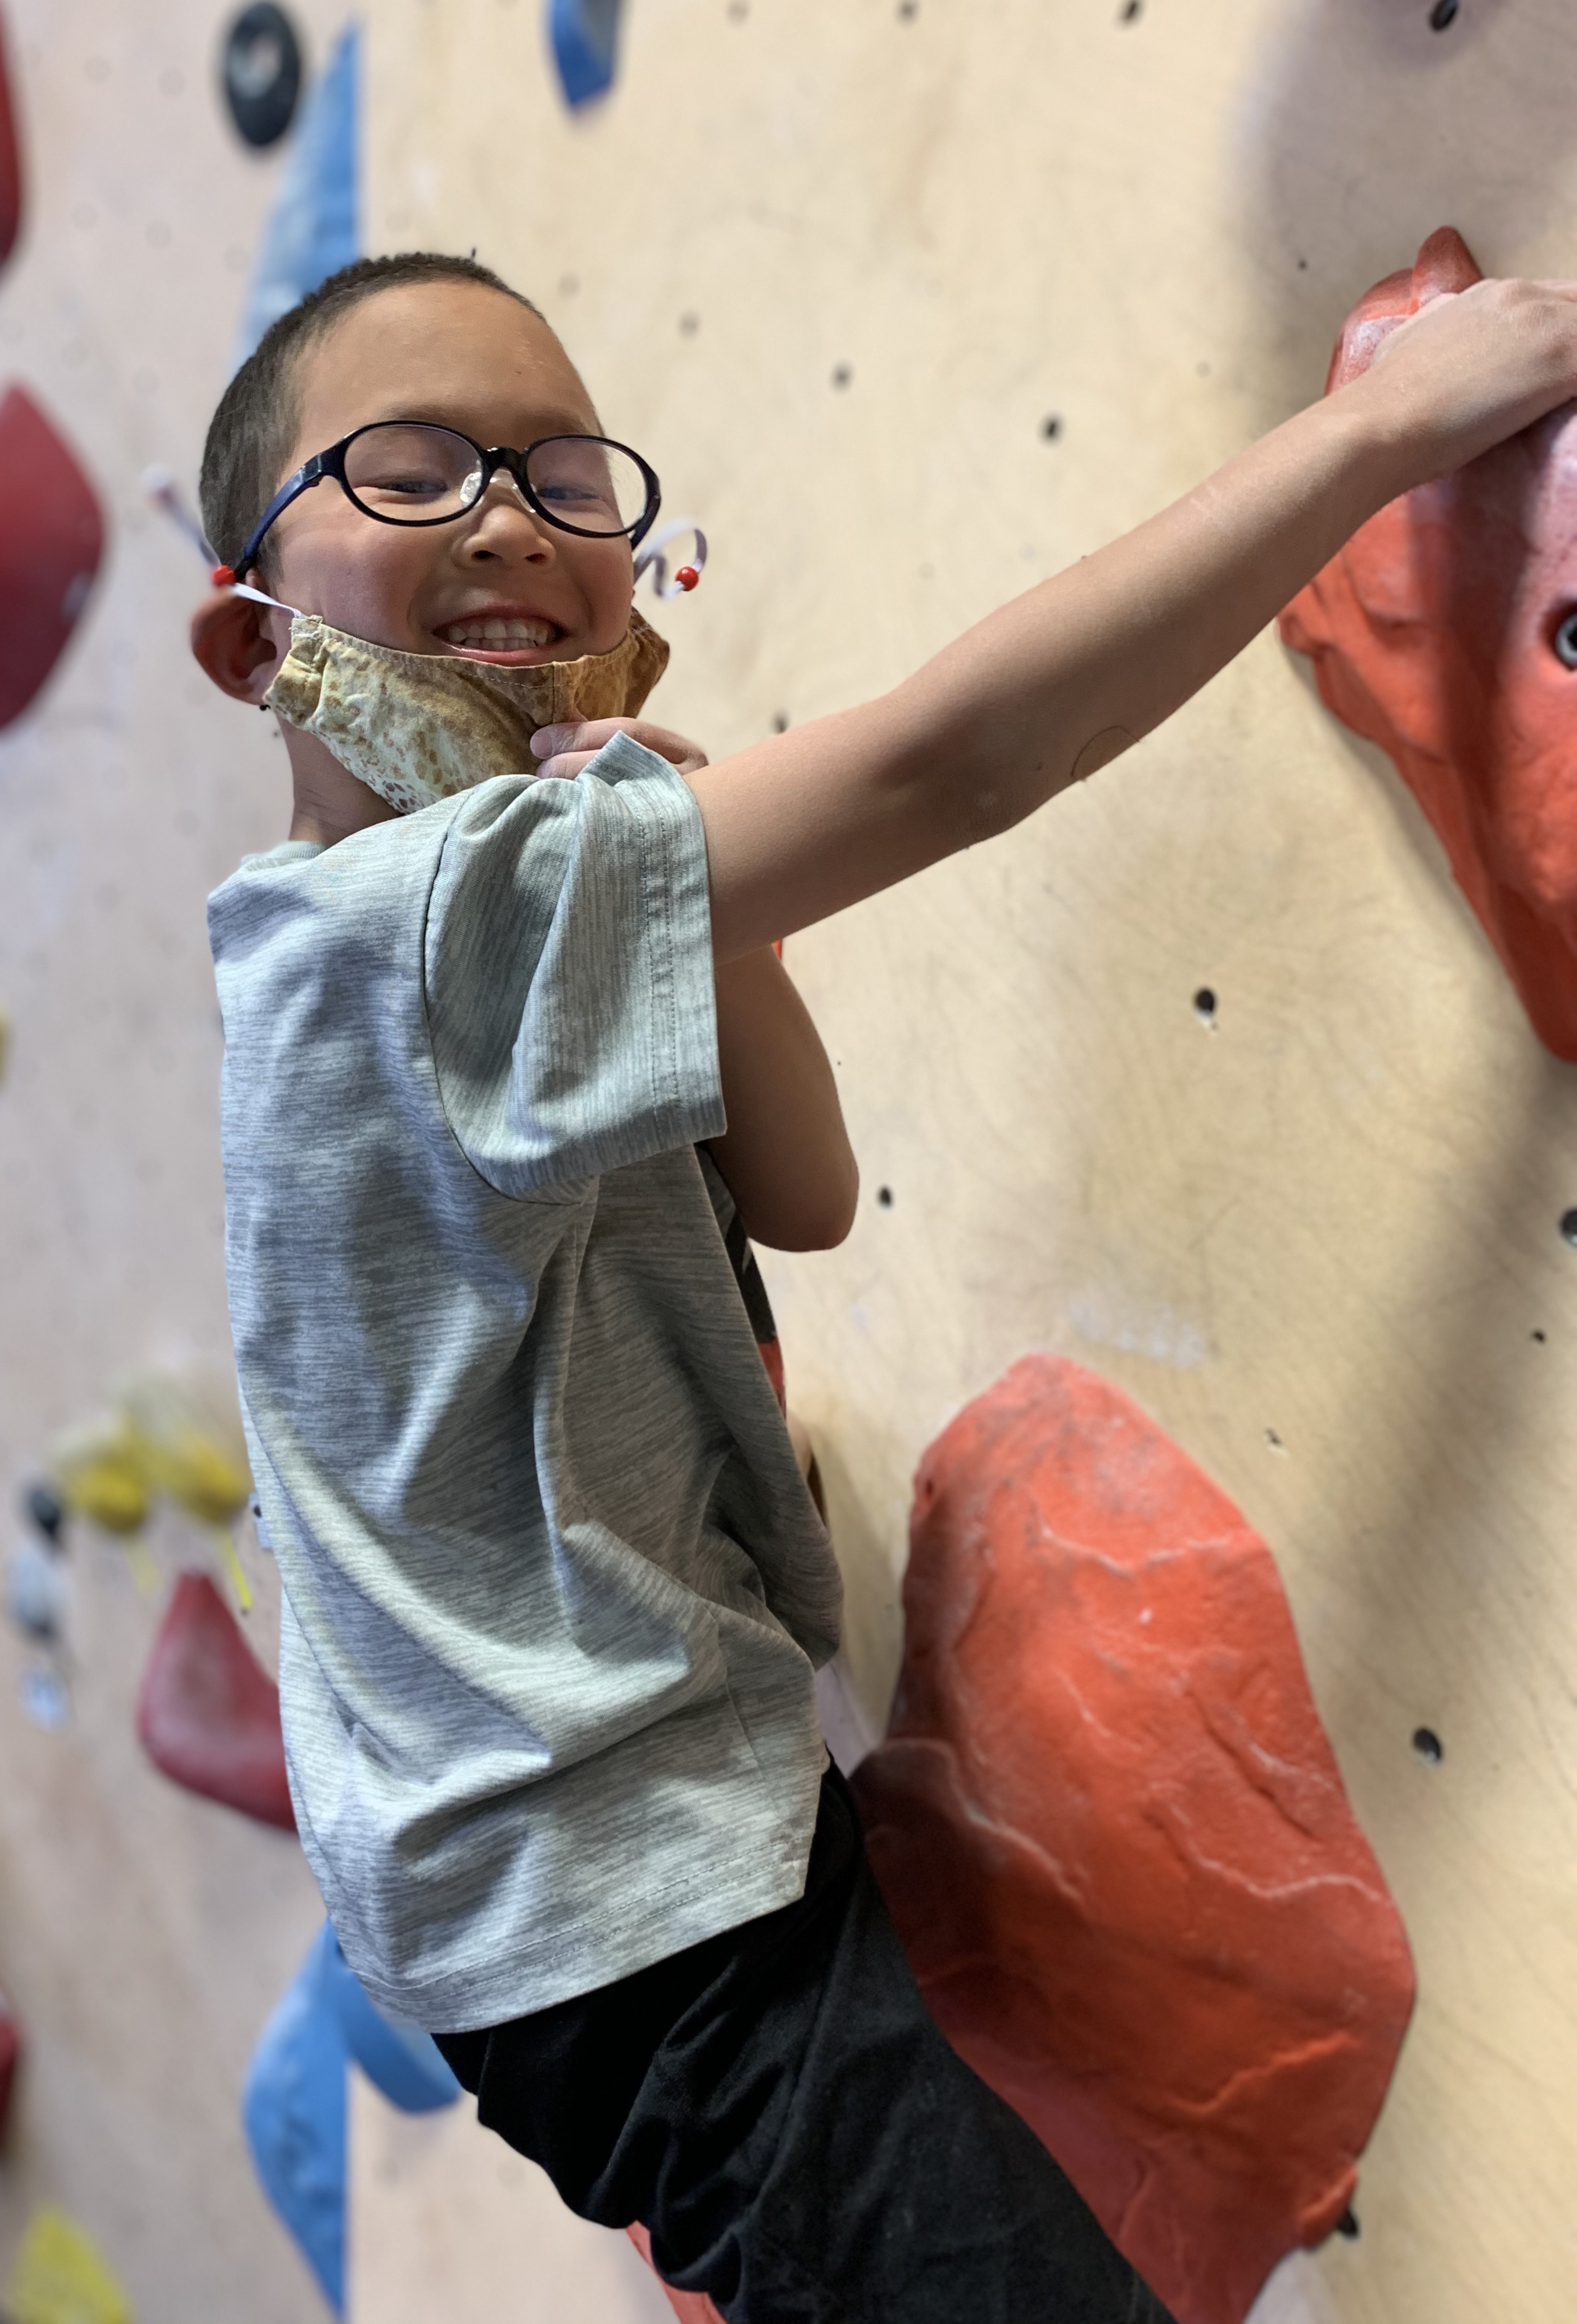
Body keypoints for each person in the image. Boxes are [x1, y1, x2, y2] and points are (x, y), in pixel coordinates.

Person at [192, 249, 1577, 2323]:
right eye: (411, 469)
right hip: (618, 1918)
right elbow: (956, 764)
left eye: (565, 476)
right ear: (252, 637)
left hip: (628, 1849)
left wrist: (677, 859)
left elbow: (804, 1187)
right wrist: (1383, 431)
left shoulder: (469, 921)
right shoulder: (403, 925)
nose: (510, 518)